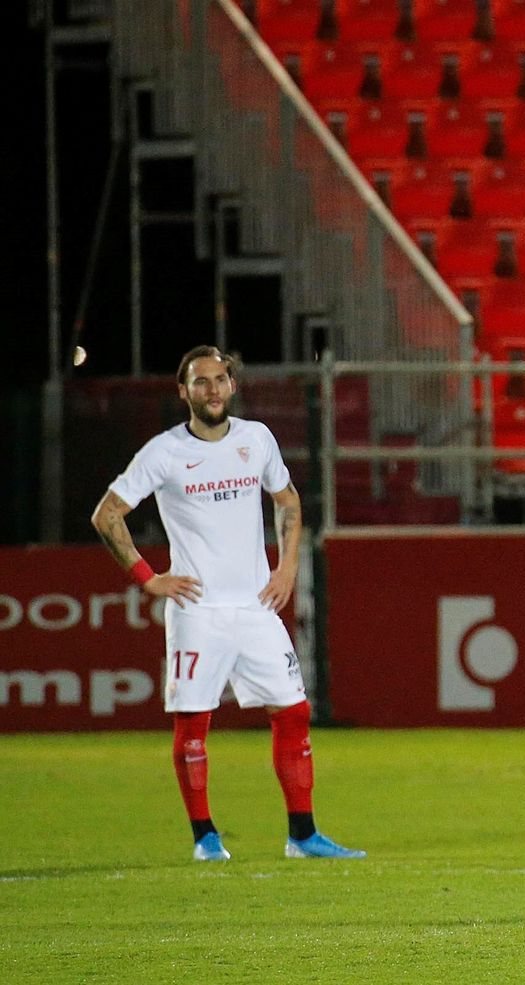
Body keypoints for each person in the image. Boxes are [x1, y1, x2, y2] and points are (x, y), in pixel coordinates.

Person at [90, 346, 365, 862]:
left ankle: (303, 835)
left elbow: (287, 500)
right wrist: (148, 578)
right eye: (201, 382)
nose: (212, 389)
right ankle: (205, 838)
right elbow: (107, 515)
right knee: (194, 724)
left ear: (233, 386)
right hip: (198, 611)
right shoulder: (164, 452)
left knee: (294, 712)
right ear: (183, 391)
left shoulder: (256, 438)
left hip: (256, 607)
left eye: (220, 380)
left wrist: (287, 568)